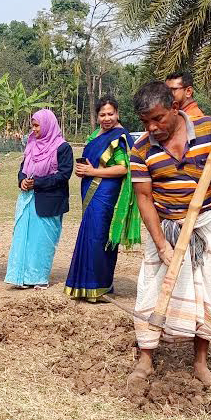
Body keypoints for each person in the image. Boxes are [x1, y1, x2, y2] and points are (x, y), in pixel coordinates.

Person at [127, 81, 211, 392]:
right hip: (164, 224)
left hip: (206, 224)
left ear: (176, 109)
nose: (152, 127)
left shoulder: (210, 130)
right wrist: (162, 244)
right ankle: (146, 358)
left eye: (158, 119)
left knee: (206, 290)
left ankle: (200, 363)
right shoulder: (140, 148)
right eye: (145, 121)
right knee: (153, 287)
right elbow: (144, 198)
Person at [64, 96, 137, 301]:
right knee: (89, 235)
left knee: (99, 236)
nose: (107, 118)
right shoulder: (96, 135)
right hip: (90, 188)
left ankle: (100, 286)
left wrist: (93, 170)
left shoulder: (119, 137)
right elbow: (91, 165)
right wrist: (84, 171)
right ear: (97, 116)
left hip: (106, 193)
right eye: (102, 114)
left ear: (118, 114)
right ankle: (84, 286)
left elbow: (123, 168)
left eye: (110, 114)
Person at [5, 109, 73, 290]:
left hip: (49, 201)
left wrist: (37, 182)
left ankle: (39, 277)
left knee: (42, 241)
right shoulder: (31, 143)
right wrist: (22, 181)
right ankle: (21, 277)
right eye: (32, 126)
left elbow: (64, 175)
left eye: (37, 125)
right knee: (23, 238)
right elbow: (23, 167)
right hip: (27, 198)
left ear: (47, 125)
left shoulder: (62, 147)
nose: (33, 129)